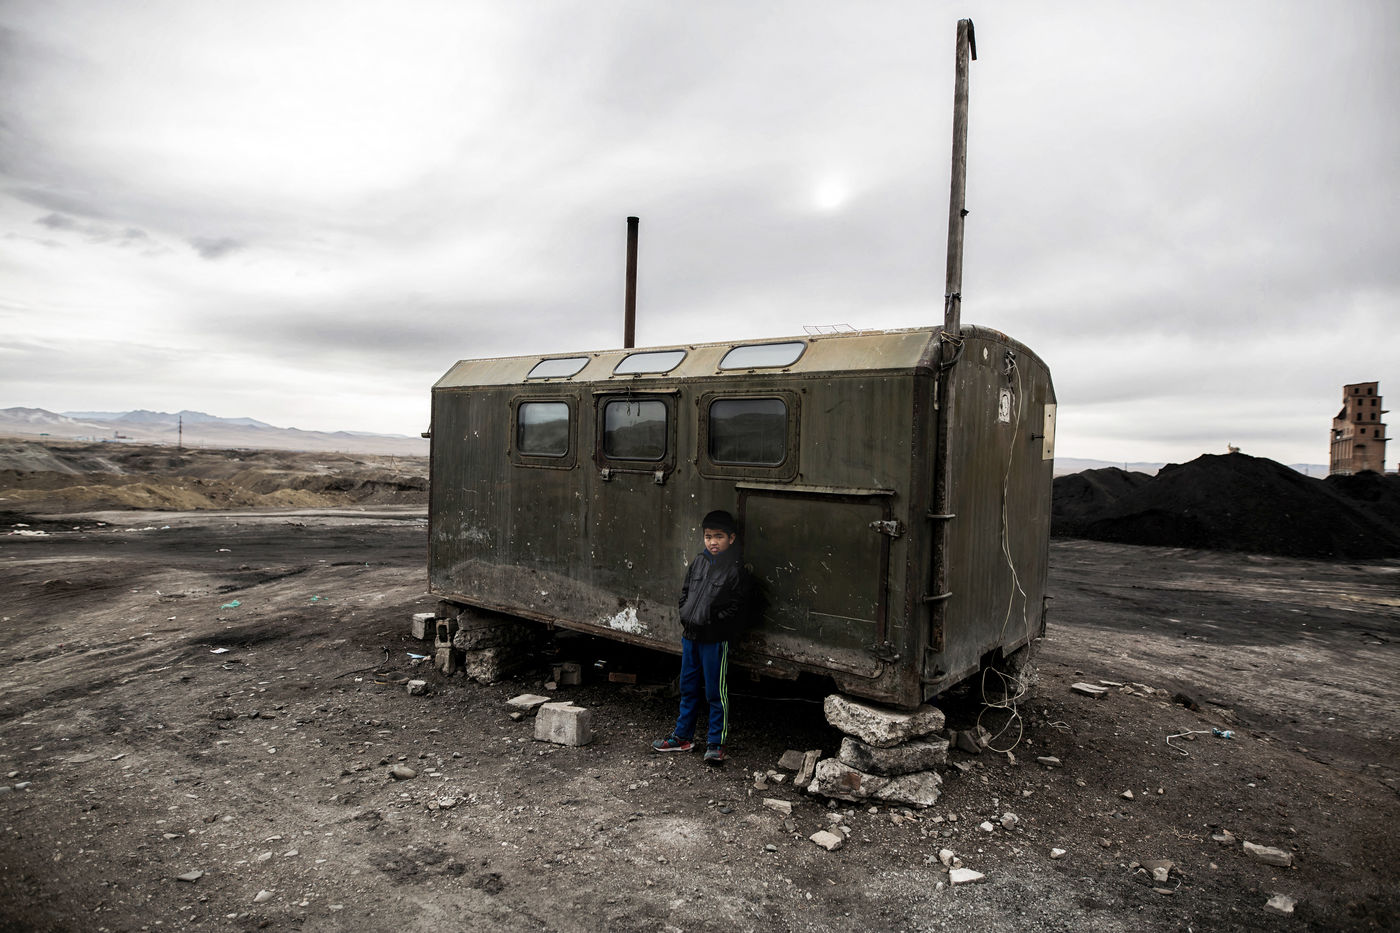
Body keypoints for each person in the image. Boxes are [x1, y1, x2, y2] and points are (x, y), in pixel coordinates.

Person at [652, 509, 754, 764]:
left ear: (731, 538)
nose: (713, 542)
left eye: (719, 536)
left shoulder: (735, 570)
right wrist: (685, 614)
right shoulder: (698, 561)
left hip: (714, 641)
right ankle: (682, 737)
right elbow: (686, 593)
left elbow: (738, 608)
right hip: (691, 637)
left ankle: (716, 743)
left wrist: (713, 622)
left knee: (715, 693)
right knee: (687, 688)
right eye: (708, 536)